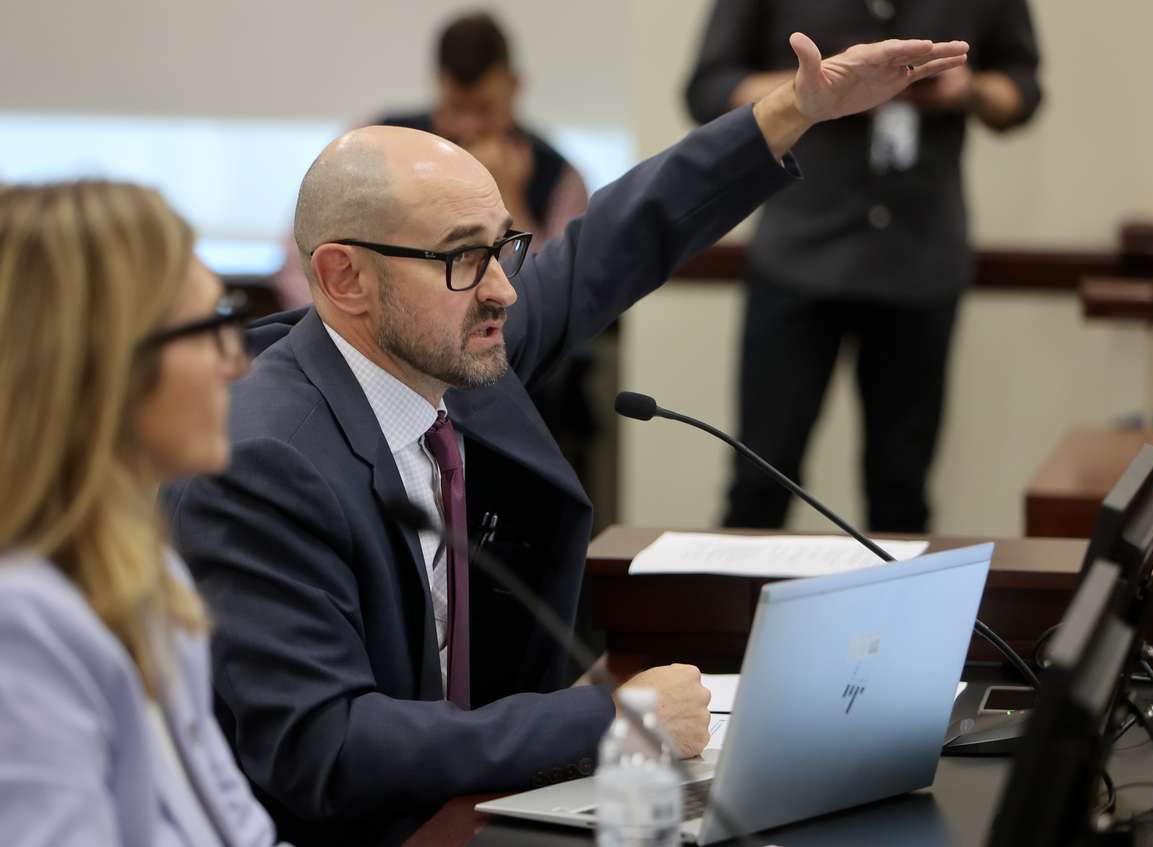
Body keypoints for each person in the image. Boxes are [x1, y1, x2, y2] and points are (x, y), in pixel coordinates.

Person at [165, 34, 970, 847]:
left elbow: (616, 240)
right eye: (464, 256)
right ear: (345, 278)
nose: (503, 289)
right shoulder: (261, 459)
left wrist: (798, 108)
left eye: (503, 247)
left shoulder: (443, 345)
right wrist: (605, 718)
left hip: (472, 805)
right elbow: (327, 746)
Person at [0, 181, 287, 845]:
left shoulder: (140, 566)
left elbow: (238, 830)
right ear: (102, 365)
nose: (237, 364)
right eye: (211, 328)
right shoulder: (20, 624)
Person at [687, 0, 1043, 533]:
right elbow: (709, 89)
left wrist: (966, 89)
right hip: (798, 256)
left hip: (920, 262)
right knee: (760, 479)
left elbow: (1023, 88)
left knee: (901, 493)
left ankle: (900, 594)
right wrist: (824, 86)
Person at [273, 11, 588, 311]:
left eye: (484, 109)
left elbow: (550, 300)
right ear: (439, 85)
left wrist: (509, 200)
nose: (468, 127)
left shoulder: (561, 179)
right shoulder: (376, 142)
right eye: (456, 108)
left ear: (515, 87)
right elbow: (298, 259)